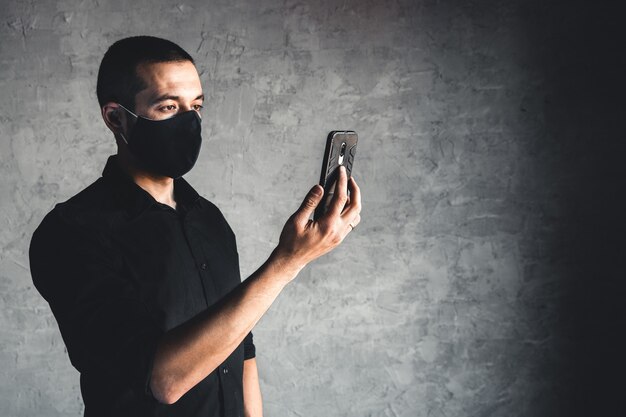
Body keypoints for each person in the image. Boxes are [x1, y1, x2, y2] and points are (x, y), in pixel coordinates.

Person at [28, 36, 361, 417]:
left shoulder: (209, 219)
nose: (188, 121)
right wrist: (289, 261)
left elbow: (241, 347)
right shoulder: (71, 233)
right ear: (115, 118)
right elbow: (163, 380)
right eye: (168, 107)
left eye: (196, 106)